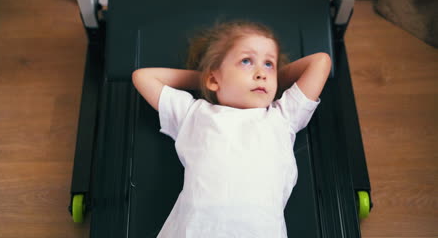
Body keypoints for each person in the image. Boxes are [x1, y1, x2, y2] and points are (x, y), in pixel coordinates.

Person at [132, 20, 331, 238]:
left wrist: (275, 80)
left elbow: (320, 62)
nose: (261, 73)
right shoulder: (194, 114)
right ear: (213, 77)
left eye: (268, 64)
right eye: (246, 61)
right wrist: (206, 79)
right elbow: (143, 77)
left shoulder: (283, 116)